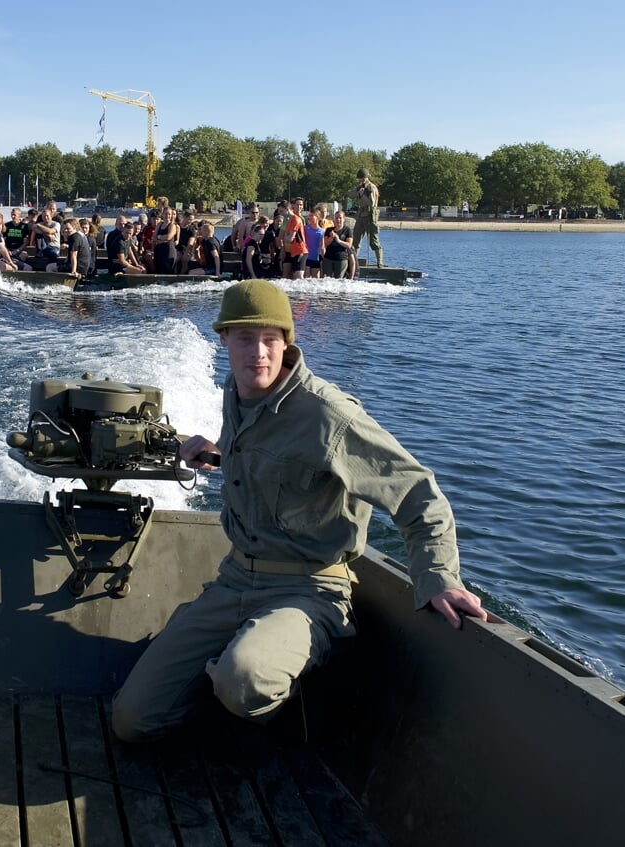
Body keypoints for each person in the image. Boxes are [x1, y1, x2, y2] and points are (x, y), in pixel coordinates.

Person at [110, 280, 486, 743]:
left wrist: (439, 579)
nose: (259, 354)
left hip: (309, 589)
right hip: (234, 580)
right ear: (223, 338)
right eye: (245, 338)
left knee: (245, 678)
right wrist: (219, 452)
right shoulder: (239, 393)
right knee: (132, 720)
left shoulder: (328, 414)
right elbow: (272, 461)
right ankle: (231, 685)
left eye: (271, 339)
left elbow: (417, 493)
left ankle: (283, 692)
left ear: (288, 342)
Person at [352, 168, 383, 269]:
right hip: (361, 215)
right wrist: (358, 193)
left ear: (366, 178)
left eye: (362, 179)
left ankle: (380, 263)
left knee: (373, 241)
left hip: (370, 216)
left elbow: (371, 203)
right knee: (355, 239)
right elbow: (350, 194)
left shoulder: (371, 188)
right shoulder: (360, 187)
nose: (360, 181)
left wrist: (362, 196)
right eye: (359, 179)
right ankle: (353, 262)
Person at [322, 210, 355, 279]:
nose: (338, 220)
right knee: (326, 279)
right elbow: (325, 243)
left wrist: (338, 240)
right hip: (328, 258)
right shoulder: (329, 230)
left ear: (343, 219)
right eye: (336, 218)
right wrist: (331, 237)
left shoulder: (347, 230)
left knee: (338, 279)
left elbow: (349, 245)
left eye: (340, 218)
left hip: (341, 259)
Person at [280, 197, 308, 279]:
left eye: (282, 211)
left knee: (298, 276)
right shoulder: (289, 220)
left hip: (300, 251)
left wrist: (285, 237)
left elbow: (289, 239)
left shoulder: (296, 219)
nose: (280, 214)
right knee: (292, 276)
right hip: (294, 251)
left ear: (288, 209)